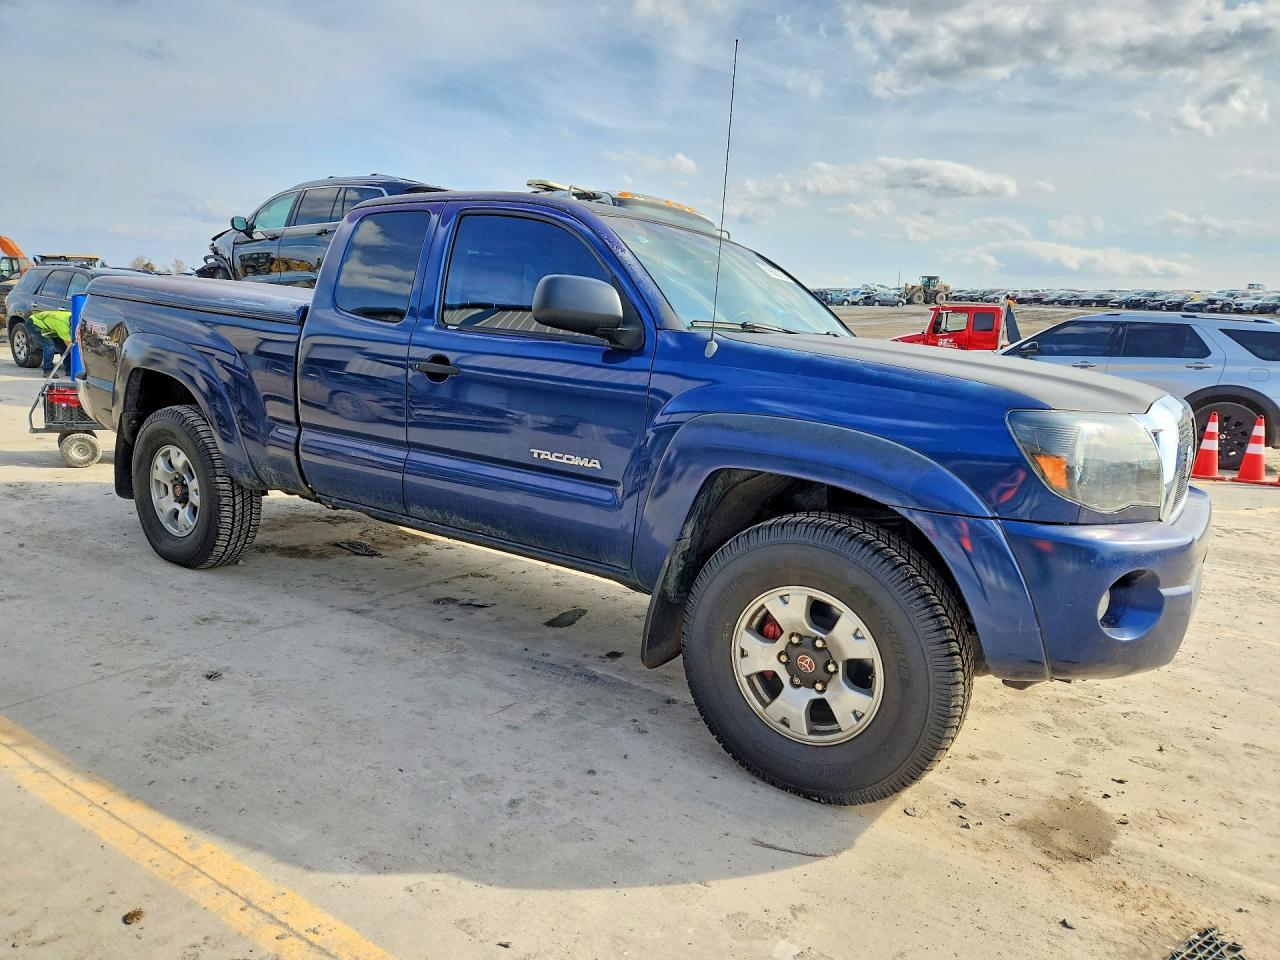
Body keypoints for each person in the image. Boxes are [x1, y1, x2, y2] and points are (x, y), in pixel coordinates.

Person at [27, 309, 72, 377]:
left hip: (50, 327)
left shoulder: (72, 315)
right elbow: (70, 347)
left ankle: (70, 370)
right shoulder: (63, 327)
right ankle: (47, 371)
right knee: (49, 346)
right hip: (34, 323)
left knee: (63, 348)